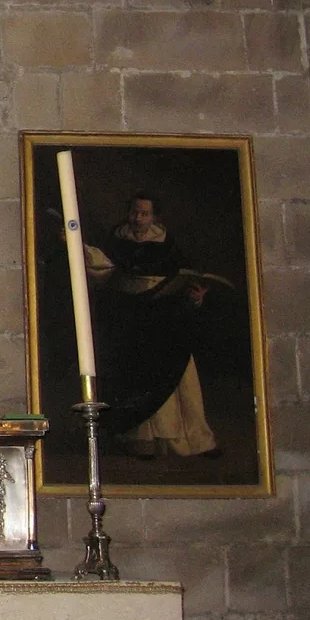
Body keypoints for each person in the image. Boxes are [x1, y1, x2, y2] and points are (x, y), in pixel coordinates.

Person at [90, 193, 221, 458]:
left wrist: (196, 295)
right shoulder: (116, 241)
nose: (138, 219)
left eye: (144, 214)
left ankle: (183, 439)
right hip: (129, 319)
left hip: (164, 318)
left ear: (154, 217)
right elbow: (103, 275)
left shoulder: (167, 244)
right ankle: (142, 439)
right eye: (134, 212)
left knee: (175, 371)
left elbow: (185, 278)